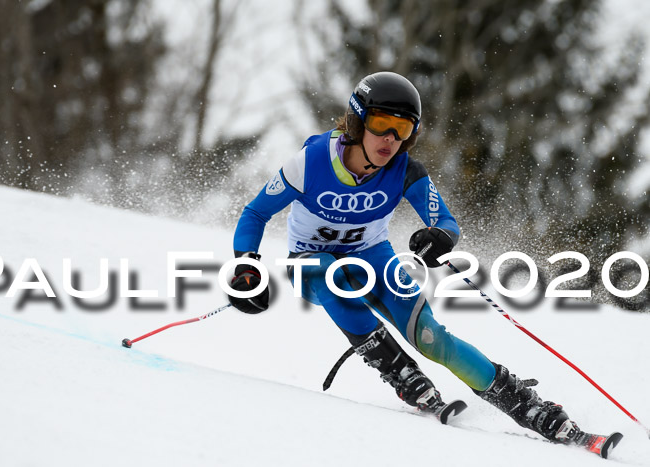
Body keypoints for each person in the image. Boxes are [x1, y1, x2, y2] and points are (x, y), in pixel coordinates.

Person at [227, 71, 588, 444]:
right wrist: (245, 265)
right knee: (329, 273)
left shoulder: (405, 171)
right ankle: (400, 372)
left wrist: (440, 237)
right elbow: (255, 213)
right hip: (311, 262)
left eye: (402, 129)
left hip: (374, 258)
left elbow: (445, 221)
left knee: (432, 338)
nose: (390, 139)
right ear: (356, 122)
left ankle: (529, 406)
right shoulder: (310, 162)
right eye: (382, 124)